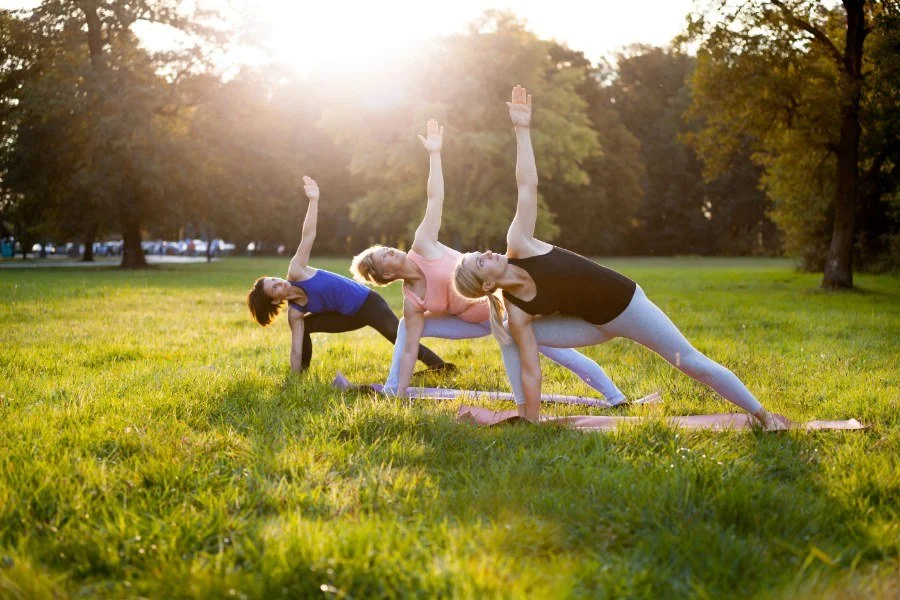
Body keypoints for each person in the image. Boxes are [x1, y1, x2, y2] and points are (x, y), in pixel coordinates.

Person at [453, 85, 787, 429]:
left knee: (689, 361)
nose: (489, 252)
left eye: (481, 253)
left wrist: (522, 129)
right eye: (481, 261)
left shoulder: (519, 243)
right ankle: (527, 417)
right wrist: (533, 422)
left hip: (626, 306)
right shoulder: (517, 310)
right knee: (507, 332)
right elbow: (530, 368)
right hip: (589, 325)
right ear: (488, 282)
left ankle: (764, 416)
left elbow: (527, 185)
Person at [350, 120, 627, 403]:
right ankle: (394, 392)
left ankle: (616, 397)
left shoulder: (422, 245)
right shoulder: (412, 300)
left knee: (560, 354)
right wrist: (400, 401)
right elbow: (409, 350)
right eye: (382, 256)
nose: (389, 251)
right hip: (469, 323)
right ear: (384, 274)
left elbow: (435, 198)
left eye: (384, 248)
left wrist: (434, 154)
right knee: (406, 328)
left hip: (503, 313)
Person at [247, 176, 451, 374]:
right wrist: (293, 380)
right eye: (274, 288)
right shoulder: (295, 313)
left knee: (394, 334)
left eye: (275, 279)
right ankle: (301, 375)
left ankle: (440, 367)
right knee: (306, 327)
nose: (280, 283)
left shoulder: (296, 271)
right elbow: (295, 349)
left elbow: (308, 235)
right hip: (347, 315)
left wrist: (313, 200)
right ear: (275, 301)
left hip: (367, 302)